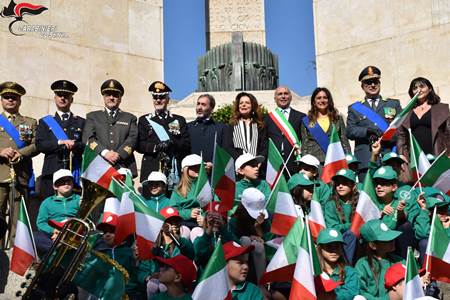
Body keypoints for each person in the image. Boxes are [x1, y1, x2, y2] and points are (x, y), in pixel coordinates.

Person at [346, 66, 402, 181]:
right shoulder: (355, 108)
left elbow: (401, 130)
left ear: (379, 83)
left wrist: (385, 136)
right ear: (362, 86)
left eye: (375, 81)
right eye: (368, 82)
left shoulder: (393, 104)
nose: (372, 85)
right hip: (365, 159)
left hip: (388, 157)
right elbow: (350, 131)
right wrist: (366, 131)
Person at [0, 81, 37, 247]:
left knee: (18, 219)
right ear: (1, 100)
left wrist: (20, 154)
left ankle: (16, 253)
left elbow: (37, 144)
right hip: (0, 176)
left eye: (13, 97)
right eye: (6, 97)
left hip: (20, 177)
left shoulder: (29, 122)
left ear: (19, 100)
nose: (10, 100)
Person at [36, 80, 85, 198]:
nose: (62, 98)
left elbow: (86, 145)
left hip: (73, 172)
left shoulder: (81, 122)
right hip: (51, 171)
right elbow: (40, 144)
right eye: (59, 95)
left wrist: (75, 145)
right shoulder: (45, 122)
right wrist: (60, 142)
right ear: (55, 98)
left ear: (71, 99)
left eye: (66, 96)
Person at [137, 81, 190, 187]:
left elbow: (186, 144)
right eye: (155, 98)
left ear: (168, 99)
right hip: (152, 167)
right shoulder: (145, 120)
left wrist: (173, 143)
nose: (158, 100)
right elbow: (139, 144)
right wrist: (156, 147)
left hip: (173, 169)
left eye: (161, 97)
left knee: (173, 202)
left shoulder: (178, 120)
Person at [83, 79, 138, 177]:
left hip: (123, 166)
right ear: (103, 97)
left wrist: (119, 155)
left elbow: (133, 139)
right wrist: (105, 153)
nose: (111, 98)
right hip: (98, 167)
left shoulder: (130, 118)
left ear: (120, 98)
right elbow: (88, 138)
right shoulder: (93, 116)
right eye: (108, 95)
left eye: (115, 95)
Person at [397, 77, 450, 159]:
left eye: (422, 86)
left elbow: (448, 132)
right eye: (415, 88)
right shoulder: (406, 112)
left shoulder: (442, 108)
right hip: (415, 157)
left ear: (430, 89)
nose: (418, 90)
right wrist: (401, 154)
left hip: (437, 154)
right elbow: (401, 136)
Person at [34, 169, 80, 257]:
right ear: (55, 186)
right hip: (53, 235)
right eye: (62, 182)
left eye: (69, 181)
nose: (66, 184)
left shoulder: (79, 199)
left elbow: (88, 219)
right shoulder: (47, 202)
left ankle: (59, 250)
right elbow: (41, 223)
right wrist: (53, 231)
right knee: (34, 237)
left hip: (75, 233)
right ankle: (60, 249)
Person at [229, 188, 271, 283]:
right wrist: (249, 237)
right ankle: (242, 278)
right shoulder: (235, 221)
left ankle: (262, 283)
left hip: (261, 255)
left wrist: (258, 228)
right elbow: (232, 240)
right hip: (240, 253)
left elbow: (268, 240)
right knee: (245, 240)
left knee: (258, 245)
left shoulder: (264, 219)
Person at [355, 219, 403, 299]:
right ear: (373, 245)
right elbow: (361, 292)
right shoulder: (362, 265)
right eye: (387, 239)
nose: (392, 240)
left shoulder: (399, 261)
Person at [301, 87, 351, 164]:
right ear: (314, 102)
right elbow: (305, 145)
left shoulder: (337, 118)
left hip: (335, 160)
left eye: (325, 98)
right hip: (315, 163)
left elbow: (344, 141)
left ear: (329, 100)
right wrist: (304, 164)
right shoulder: (307, 121)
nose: (322, 100)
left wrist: (349, 160)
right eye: (319, 98)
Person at [264, 86, 305, 175]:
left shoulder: (301, 117)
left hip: (294, 162)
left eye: (286, 94)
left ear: (290, 97)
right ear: (275, 98)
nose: (283, 96)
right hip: (274, 162)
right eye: (280, 94)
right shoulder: (267, 118)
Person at [324, 168, 359, 263]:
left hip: (360, 239)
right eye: (338, 184)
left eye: (344, 183)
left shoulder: (361, 201)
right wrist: (353, 225)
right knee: (350, 235)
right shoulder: (330, 204)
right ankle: (348, 267)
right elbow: (333, 228)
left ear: (353, 185)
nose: (340, 186)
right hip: (341, 241)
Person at [316, 228, 361, 299]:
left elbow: (351, 292)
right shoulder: (313, 272)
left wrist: (331, 296)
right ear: (320, 248)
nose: (333, 251)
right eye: (329, 246)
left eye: (337, 246)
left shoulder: (349, 272)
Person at [222, 92, 267, 161]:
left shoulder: (260, 126)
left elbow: (264, 148)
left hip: (256, 167)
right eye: (241, 103)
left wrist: (257, 163)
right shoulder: (230, 126)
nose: (243, 105)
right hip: (237, 167)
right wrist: (242, 163)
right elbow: (227, 148)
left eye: (247, 103)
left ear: (253, 106)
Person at [187, 94, 224, 167]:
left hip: (214, 173)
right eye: (198, 104)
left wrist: (214, 165)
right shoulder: (188, 127)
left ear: (211, 109)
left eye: (203, 105)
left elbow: (224, 153)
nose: (199, 107)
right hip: (193, 172)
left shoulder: (221, 128)